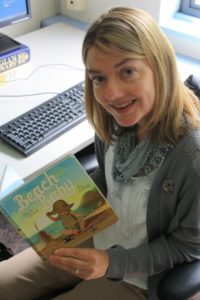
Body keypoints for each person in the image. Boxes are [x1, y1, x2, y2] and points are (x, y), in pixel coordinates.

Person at [0, 6, 200, 300]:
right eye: (99, 78)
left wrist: (111, 264)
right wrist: (46, 205)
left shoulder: (191, 157)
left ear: (160, 67)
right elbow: (109, 181)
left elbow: (188, 247)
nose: (111, 94)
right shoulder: (114, 121)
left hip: (140, 275)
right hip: (97, 236)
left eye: (127, 71)